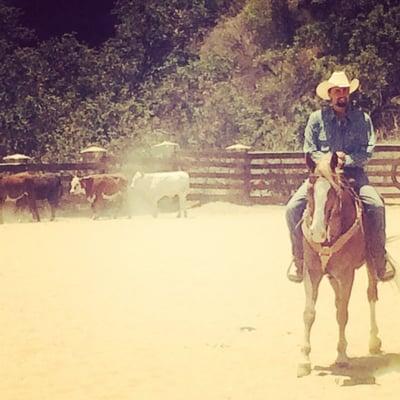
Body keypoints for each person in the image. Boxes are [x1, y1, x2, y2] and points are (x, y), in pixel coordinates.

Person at [286, 70, 395, 283]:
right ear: (330, 95)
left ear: (349, 94)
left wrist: (348, 160)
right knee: (292, 209)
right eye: (337, 91)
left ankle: (378, 258)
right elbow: (309, 149)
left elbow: (367, 151)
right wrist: (329, 161)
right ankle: (299, 259)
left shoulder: (362, 119)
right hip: (322, 177)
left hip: (353, 175)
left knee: (376, 205)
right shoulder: (316, 119)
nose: (341, 95)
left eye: (344, 90)